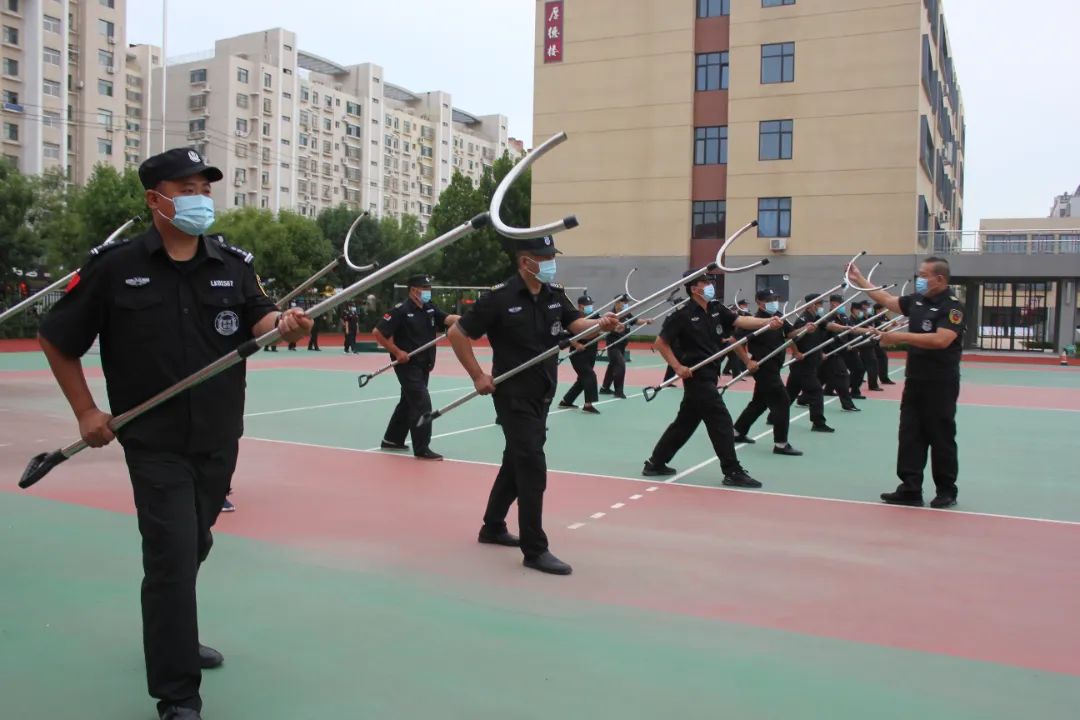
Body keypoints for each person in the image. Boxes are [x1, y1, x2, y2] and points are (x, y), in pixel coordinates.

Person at [36, 147, 312, 720]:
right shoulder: (114, 268)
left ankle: (174, 636)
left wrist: (284, 325)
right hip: (153, 440)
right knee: (171, 558)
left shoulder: (232, 263)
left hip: (218, 435)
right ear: (154, 199)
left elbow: (260, 319)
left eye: (205, 189)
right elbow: (56, 339)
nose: (200, 199)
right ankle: (177, 694)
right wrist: (86, 411)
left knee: (194, 544)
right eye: (187, 189)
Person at [448, 234, 620, 575]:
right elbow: (458, 333)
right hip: (513, 395)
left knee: (516, 460)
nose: (550, 263)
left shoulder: (554, 295)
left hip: (543, 392)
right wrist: (477, 375)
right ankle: (535, 549)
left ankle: (492, 526)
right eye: (544, 258)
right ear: (525, 261)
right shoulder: (500, 298)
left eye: (552, 257)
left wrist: (600, 324)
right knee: (532, 467)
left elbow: (576, 326)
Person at [641, 272, 782, 487]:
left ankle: (655, 463)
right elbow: (661, 343)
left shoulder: (716, 308)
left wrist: (767, 321)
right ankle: (732, 471)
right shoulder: (682, 314)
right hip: (696, 376)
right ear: (693, 288)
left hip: (711, 372)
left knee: (685, 423)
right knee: (721, 420)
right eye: (705, 282)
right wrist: (677, 367)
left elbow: (740, 320)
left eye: (710, 282)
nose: (710, 286)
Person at [848, 257, 966, 509]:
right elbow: (888, 300)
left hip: (941, 382)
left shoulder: (952, 307)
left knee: (941, 436)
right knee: (910, 434)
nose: (919, 279)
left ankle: (946, 490)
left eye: (924, 275)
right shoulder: (917, 300)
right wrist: (860, 280)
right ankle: (910, 488)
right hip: (915, 380)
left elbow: (942, 340)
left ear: (939, 279)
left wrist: (899, 338)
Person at [373, 273, 459, 460]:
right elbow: (378, 333)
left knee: (408, 401)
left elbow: (447, 319)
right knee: (421, 403)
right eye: (424, 288)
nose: (428, 291)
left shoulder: (429, 308)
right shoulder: (400, 310)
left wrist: (469, 319)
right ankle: (422, 448)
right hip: (407, 365)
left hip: (423, 364)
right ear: (413, 290)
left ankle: (392, 439)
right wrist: (397, 351)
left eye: (429, 288)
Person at [731, 289, 803, 456]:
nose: (773, 302)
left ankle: (737, 432)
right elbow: (735, 341)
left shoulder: (778, 316)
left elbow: (790, 334)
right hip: (763, 367)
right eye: (769, 300)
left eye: (774, 299)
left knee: (759, 403)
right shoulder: (754, 321)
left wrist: (805, 329)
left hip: (775, 366)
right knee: (783, 402)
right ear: (759, 302)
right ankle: (781, 444)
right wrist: (747, 361)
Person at [783, 294, 836, 433]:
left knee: (790, 394)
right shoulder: (803, 319)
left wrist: (848, 328)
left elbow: (830, 327)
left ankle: (774, 416)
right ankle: (818, 423)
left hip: (810, 362)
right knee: (816, 391)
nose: (821, 306)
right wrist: (796, 352)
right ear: (811, 305)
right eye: (819, 304)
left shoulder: (817, 319)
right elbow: (790, 337)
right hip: (802, 364)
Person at [559, 294, 603, 414]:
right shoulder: (573, 318)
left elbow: (603, 326)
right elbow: (566, 336)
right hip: (578, 354)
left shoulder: (595, 316)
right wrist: (576, 344)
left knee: (582, 379)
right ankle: (588, 405)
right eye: (587, 305)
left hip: (591, 351)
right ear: (580, 306)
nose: (590, 307)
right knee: (590, 375)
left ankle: (566, 401)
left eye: (591, 304)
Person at [818, 294, 862, 412]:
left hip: (840, 352)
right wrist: (821, 352)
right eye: (841, 304)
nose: (843, 306)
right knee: (843, 377)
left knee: (821, 377)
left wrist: (869, 331)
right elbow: (821, 337)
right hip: (830, 353)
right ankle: (847, 405)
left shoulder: (843, 317)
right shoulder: (827, 318)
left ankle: (804, 398)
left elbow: (852, 330)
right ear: (834, 304)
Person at [599, 295, 649, 398]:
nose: (626, 304)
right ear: (617, 303)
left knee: (612, 365)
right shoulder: (611, 315)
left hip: (622, 345)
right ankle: (619, 391)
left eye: (627, 302)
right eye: (624, 302)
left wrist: (646, 321)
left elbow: (635, 321)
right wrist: (614, 329)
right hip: (613, 345)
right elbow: (602, 329)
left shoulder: (626, 313)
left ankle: (605, 388)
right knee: (620, 365)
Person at [871, 303, 896, 385]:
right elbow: (879, 327)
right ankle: (884, 378)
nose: (884, 310)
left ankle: (883, 378)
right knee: (882, 358)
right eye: (883, 309)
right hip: (875, 341)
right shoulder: (874, 318)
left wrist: (895, 324)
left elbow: (889, 325)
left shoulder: (884, 316)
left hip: (882, 340)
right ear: (878, 310)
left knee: (872, 360)